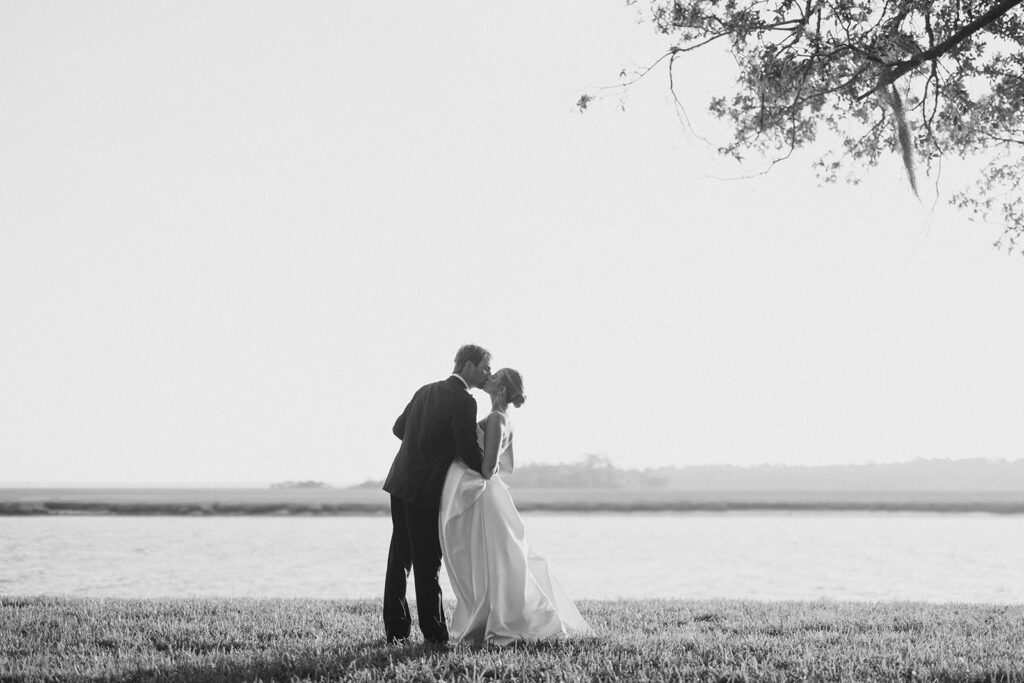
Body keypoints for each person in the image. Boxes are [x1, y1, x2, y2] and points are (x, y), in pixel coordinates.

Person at [439, 368, 591, 645]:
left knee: (495, 560)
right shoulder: (504, 420)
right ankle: (489, 610)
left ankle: (504, 616)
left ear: (503, 390)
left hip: (485, 496)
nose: (489, 377)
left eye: (494, 377)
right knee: (497, 558)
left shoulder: (496, 419)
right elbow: (509, 465)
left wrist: (465, 454)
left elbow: (489, 469)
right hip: (493, 495)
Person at [382, 344, 492, 644]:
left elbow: (398, 428)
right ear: (468, 366)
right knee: (428, 561)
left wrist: (423, 443)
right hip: (425, 488)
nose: (488, 374)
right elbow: (469, 450)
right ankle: (434, 633)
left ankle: (396, 630)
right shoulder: (465, 401)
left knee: (400, 557)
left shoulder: (425, 389)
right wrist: (487, 469)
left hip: (399, 480)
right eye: (484, 368)